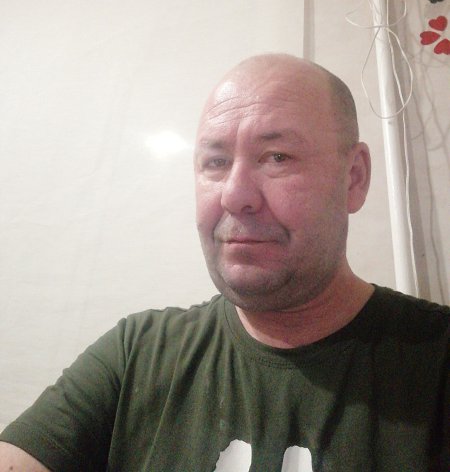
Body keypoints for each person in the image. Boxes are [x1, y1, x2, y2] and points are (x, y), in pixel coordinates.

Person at [0, 54, 448, 472]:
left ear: (354, 178)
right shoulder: (136, 354)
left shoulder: (437, 362)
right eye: (215, 162)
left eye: (277, 157)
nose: (235, 195)